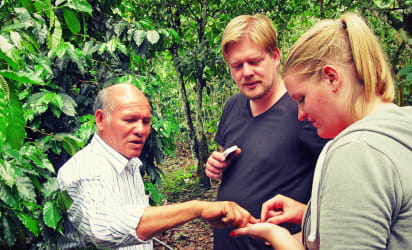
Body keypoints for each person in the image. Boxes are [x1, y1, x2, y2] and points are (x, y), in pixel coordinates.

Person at [230, 12, 412, 249]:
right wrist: (311, 215)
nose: (301, 114)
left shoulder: (356, 152)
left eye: (302, 98)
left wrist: (280, 239)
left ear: (331, 78)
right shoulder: (400, 126)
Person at [57, 83, 258, 249]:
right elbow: (103, 229)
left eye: (146, 121)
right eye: (130, 120)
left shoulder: (130, 164)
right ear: (101, 120)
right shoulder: (84, 169)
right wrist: (197, 209)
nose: (140, 130)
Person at [205, 14, 328, 249]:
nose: (246, 72)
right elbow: (228, 165)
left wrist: (308, 224)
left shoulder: (304, 109)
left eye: (254, 61)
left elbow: (335, 183)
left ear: (275, 57)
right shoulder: (233, 105)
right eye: (237, 66)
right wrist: (215, 166)